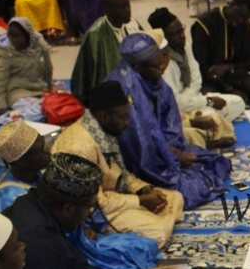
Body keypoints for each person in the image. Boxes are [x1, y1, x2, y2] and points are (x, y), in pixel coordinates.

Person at [3, 152, 159, 269]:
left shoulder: (32, 205)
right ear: (68, 209)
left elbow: (76, 267)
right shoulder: (39, 245)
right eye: (89, 207)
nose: (89, 214)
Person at [54, 81, 186, 247]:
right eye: (123, 117)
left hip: (114, 198)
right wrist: (140, 201)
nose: (127, 122)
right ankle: (105, 238)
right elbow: (95, 202)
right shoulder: (80, 148)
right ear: (104, 116)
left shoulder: (102, 130)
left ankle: (147, 221)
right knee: (158, 230)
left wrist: (144, 189)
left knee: (175, 198)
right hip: (93, 214)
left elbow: (119, 173)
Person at [112, 33, 233, 208]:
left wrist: (176, 150)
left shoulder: (154, 80)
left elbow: (169, 123)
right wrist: (174, 156)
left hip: (165, 148)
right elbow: (141, 144)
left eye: (162, 61)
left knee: (217, 162)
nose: (162, 68)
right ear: (138, 68)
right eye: (157, 65)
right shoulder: (127, 91)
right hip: (142, 162)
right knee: (194, 188)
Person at [150, 7, 244, 133]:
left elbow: (196, 77)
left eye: (181, 30)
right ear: (164, 38)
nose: (182, 36)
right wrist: (207, 101)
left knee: (238, 102)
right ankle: (203, 126)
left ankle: (206, 125)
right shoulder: (162, 63)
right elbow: (175, 102)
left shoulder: (184, 45)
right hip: (179, 111)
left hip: (194, 100)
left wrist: (194, 99)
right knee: (212, 117)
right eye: (175, 34)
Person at [191, 0, 250, 103]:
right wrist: (229, 89)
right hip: (208, 78)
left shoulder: (245, 26)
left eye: (244, 19)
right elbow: (203, 67)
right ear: (231, 5)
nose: (239, 20)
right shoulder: (204, 24)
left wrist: (228, 67)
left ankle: (246, 88)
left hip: (234, 75)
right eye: (238, 14)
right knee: (208, 98)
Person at [70, 0, 138, 101]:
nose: (128, 11)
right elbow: (94, 73)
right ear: (108, 10)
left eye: (128, 6)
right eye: (122, 8)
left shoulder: (133, 25)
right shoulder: (95, 35)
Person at [0, 18, 53, 121]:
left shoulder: (40, 47)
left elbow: (48, 71)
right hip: (18, 94)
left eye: (18, 36)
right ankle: (3, 118)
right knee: (41, 111)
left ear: (27, 35)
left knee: (58, 106)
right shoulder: (6, 53)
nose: (14, 40)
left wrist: (50, 92)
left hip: (40, 92)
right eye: (12, 36)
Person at [0, 120, 54, 211]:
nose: (49, 150)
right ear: (23, 162)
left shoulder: (34, 173)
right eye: (41, 148)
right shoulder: (10, 201)